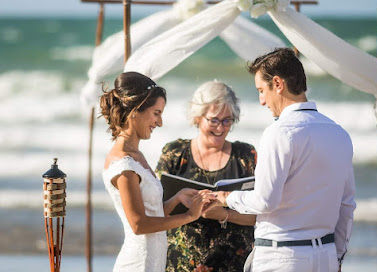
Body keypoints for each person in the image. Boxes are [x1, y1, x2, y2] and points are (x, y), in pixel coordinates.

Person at [206, 48, 356, 272]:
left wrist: (226, 198)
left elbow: (265, 201)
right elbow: (347, 204)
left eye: (261, 90)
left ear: (277, 84)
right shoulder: (340, 134)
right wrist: (337, 257)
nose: (262, 101)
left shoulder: (279, 132)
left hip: (283, 257)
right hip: (325, 256)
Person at [100, 72, 214, 272]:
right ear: (135, 110)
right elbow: (139, 225)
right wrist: (189, 216)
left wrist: (177, 198)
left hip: (152, 262)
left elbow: (152, 212)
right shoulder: (124, 165)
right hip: (138, 264)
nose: (159, 123)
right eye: (156, 113)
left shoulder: (137, 156)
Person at [155, 80, 257, 272]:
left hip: (233, 266)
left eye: (228, 120)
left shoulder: (245, 156)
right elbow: (153, 211)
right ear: (197, 117)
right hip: (181, 265)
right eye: (214, 120)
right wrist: (185, 206)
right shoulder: (174, 153)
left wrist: (225, 214)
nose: (221, 128)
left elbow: (262, 213)